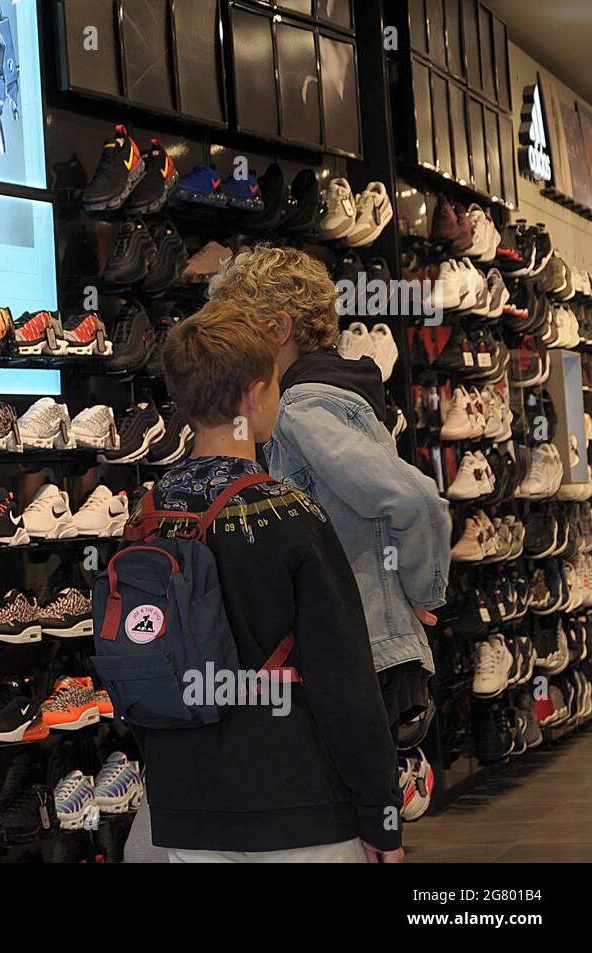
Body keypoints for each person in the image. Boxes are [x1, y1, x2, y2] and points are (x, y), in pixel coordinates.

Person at [123, 300, 402, 863]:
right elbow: (345, 685)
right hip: (299, 808)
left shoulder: (145, 516)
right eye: (275, 384)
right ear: (254, 395)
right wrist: (382, 816)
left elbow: (136, 667)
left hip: (186, 811)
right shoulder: (293, 516)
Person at [208, 245, 449, 731]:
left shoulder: (304, 407)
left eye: (241, 331)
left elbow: (416, 501)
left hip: (360, 655)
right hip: (363, 651)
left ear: (279, 328)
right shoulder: (326, 395)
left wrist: (424, 594)